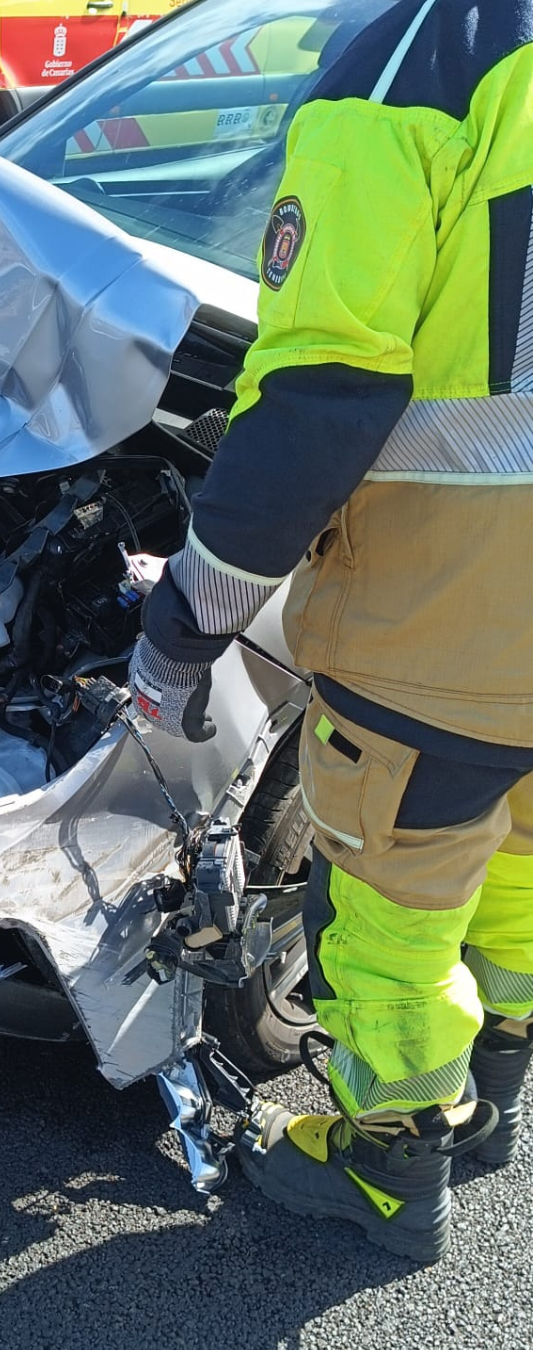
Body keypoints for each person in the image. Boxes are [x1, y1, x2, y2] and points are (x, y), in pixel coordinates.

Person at [130, 0, 533, 1263]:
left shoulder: (432, 56)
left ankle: (390, 1165)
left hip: (456, 614)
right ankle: (496, 1093)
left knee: (391, 907)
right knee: (519, 855)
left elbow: (323, 391)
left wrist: (188, 618)